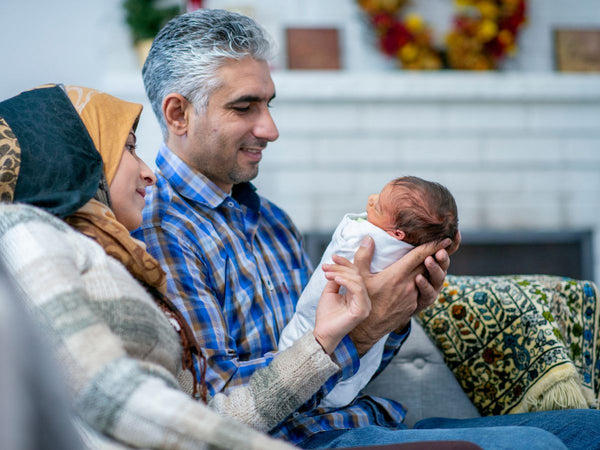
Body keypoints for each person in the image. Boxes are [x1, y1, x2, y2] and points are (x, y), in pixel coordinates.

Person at [134, 8, 600, 450]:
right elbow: (218, 416)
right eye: (244, 107)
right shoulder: (159, 232)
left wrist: (400, 306)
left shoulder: (271, 221)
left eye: (269, 104)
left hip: (363, 421)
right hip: (299, 442)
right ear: (178, 114)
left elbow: (337, 364)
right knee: (536, 445)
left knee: (589, 428)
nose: (271, 128)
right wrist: (361, 330)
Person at [0, 84, 374, 449]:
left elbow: (214, 410)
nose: (148, 173)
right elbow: (107, 394)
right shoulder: (27, 233)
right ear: (73, 156)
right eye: (128, 149)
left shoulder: (114, 255)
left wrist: (324, 340)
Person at [279, 176, 459, 409]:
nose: (370, 200)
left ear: (397, 235)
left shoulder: (363, 238)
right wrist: (363, 333)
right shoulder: (408, 250)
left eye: (379, 206)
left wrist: (398, 317)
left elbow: (346, 240)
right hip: (309, 409)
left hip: (362, 412)